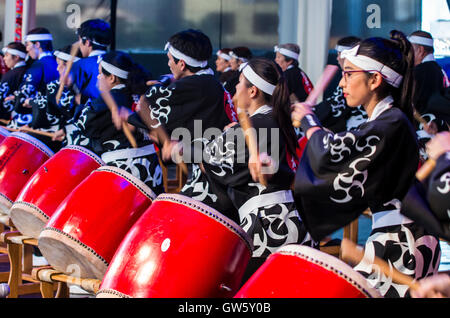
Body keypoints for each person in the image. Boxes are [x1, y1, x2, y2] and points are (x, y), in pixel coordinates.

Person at [291, 30, 441, 298]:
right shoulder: (387, 121)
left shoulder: (391, 122)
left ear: (374, 80)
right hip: (401, 235)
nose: (341, 83)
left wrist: (309, 122)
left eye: (349, 74)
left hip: (402, 240)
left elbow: (332, 153)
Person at [166, 57, 315, 282]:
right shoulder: (275, 121)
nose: (235, 87)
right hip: (290, 222)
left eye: (240, 82)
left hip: (267, 228)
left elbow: (209, 160)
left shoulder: (256, 126)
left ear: (253, 91)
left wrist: (180, 148)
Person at [70, 51, 164, 195]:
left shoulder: (107, 100)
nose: (98, 77)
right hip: (152, 171)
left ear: (112, 78)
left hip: (123, 173)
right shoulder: (143, 93)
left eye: (101, 73)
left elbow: (83, 125)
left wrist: (79, 105)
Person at [135, 29, 237, 158]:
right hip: (222, 160)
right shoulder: (209, 82)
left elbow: (144, 104)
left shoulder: (191, 86)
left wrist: (166, 141)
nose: (168, 64)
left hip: (212, 169)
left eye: (170, 59)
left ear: (182, 64)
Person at [409, 30, 450, 159]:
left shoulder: (420, 72)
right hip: (440, 135)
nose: (407, 55)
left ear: (420, 50)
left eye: (410, 50)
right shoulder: (438, 70)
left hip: (425, 137)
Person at [314, 36, 367, 133]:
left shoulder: (359, 77)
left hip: (358, 128)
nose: (337, 58)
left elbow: (336, 105)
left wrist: (309, 115)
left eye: (340, 54)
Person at [9, 28, 58, 129]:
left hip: (41, 123)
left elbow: (23, 97)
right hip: (58, 122)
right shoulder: (58, 63)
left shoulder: (38, 66)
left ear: (37, 44)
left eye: (27, 45)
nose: (26, 49)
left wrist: (21, 101)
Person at [0, 42, 27, 121]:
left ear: (16, 57)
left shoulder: (10, 75)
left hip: (10, 119)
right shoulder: (28, 70)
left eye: (7, 55)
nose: (4, 58)